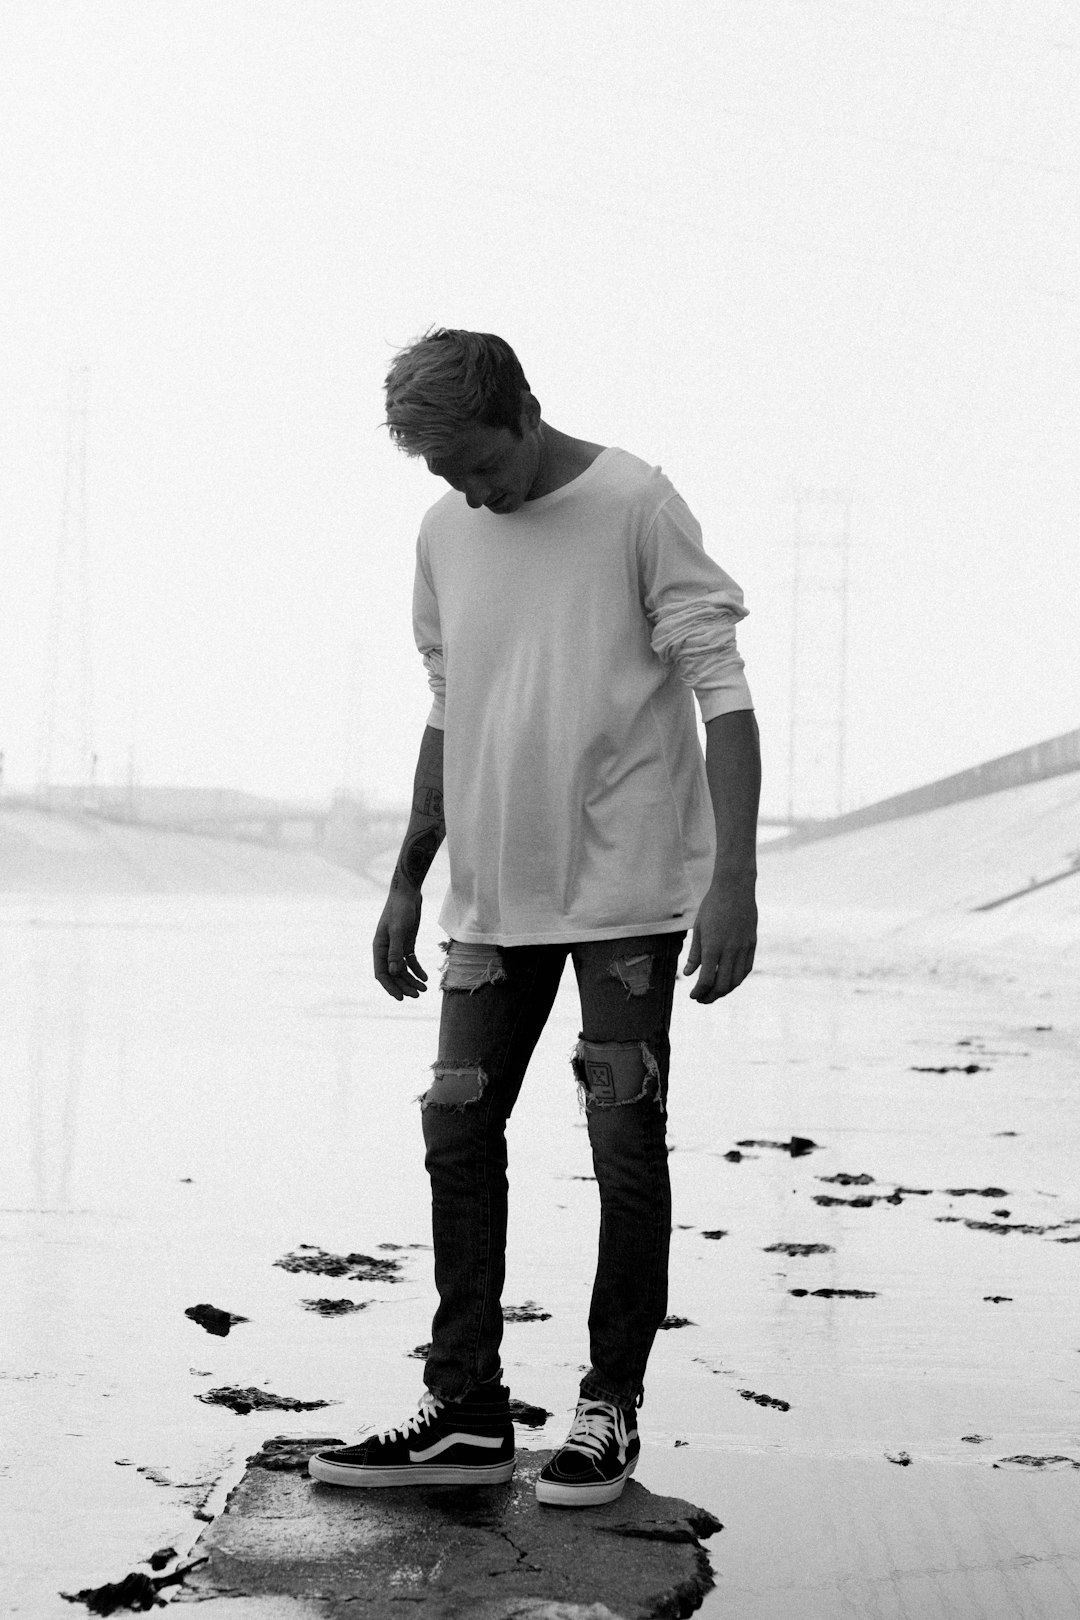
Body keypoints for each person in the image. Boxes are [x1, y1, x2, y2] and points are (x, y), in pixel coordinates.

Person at [309, 329, 760, 1507]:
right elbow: (452, 707)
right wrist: (410, 875)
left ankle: (609, 1407)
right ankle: (464, 1411)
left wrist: (735, 882)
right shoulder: (447, 530)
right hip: (492, 903)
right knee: (457, 1133)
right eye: (442, 473)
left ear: (524, 413)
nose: (468, 491)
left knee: (623, 1146)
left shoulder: (634, 503)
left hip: (626, 896)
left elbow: (725, 697)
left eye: (477, 464)